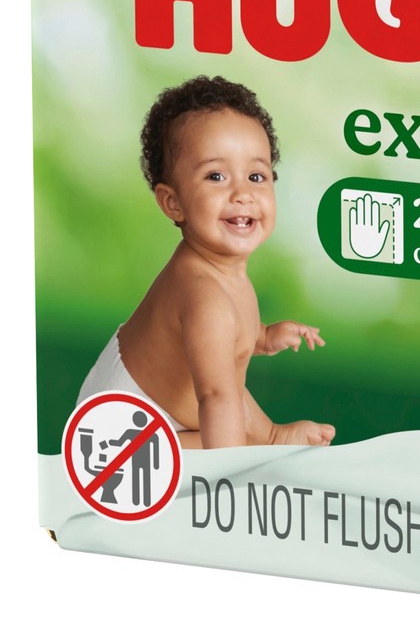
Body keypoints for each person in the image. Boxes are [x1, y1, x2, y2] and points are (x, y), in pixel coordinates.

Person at [77, 76, 335, 450]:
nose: (242, 193)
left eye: (256, 176)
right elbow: (216, 399)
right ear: (173, 203)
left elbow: (230, 335)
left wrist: (264, 337)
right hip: (119, 432)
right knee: (222, 399)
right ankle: (254, 448)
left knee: (226, 380)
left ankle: (271, 436)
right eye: (216, 176)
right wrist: (231, 469)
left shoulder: (220, 270)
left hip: (166, 405)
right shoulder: (204, 296)